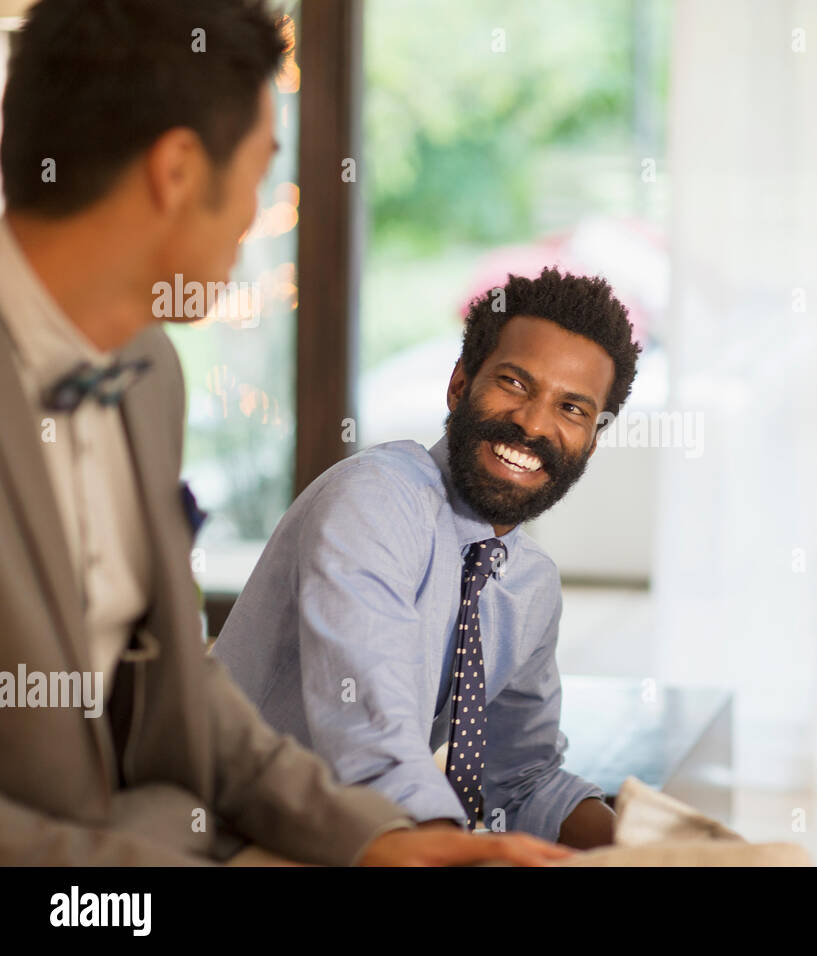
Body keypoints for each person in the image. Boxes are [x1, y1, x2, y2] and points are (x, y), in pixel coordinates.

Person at [0, 0, 566, 867]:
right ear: (179, 171)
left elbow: (182, 695)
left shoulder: (148, 375)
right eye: (265, 173)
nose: (268, 214)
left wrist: (379, 842)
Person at [213, 267, 639, 849]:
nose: (534, 423)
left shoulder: (530, 584)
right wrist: (456, 851)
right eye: (515, 383)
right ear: (460, 384)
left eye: (572, 409)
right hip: (228, 839)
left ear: (592, 438)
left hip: (369, 845)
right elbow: (374, 743)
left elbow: (522, 781)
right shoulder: (376, 500)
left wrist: (650, 851)